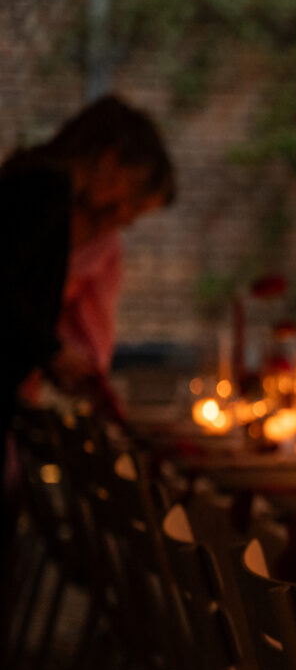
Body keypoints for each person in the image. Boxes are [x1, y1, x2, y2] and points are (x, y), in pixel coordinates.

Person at [0, 94, 175, 501]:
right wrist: (52, 350)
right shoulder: (45, 189)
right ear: (110, 160)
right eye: (130, 188)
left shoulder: (29, 180)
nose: (123, 210)